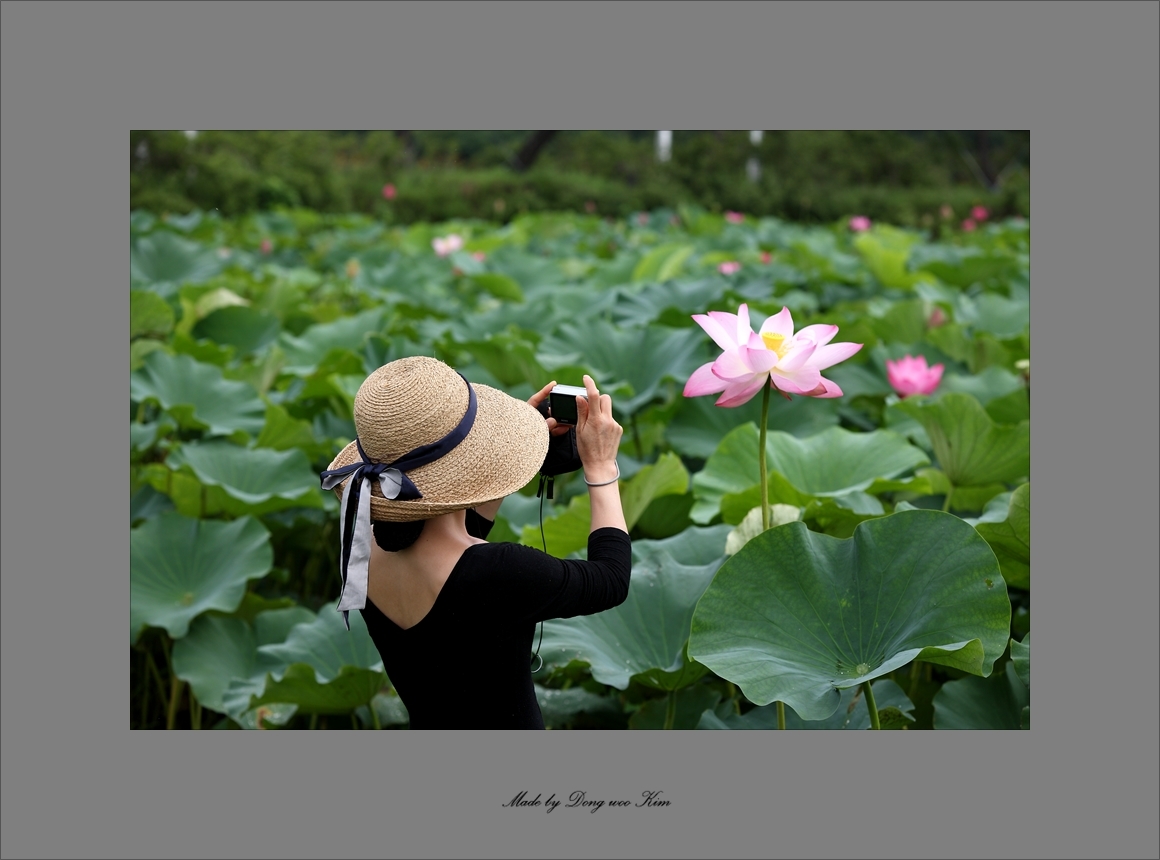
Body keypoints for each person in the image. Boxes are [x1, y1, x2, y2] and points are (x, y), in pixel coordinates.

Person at [320, 356, 631, 729]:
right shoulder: (499, 571)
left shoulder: (360, 550)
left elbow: (456, 559)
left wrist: (506, 452)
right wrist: (601, 465)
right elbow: (611, 579)